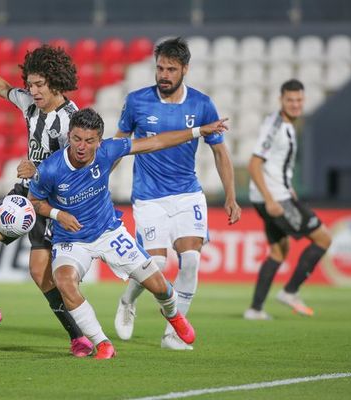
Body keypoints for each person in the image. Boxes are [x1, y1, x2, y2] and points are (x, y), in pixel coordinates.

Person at [28, 108, 229, 359]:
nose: (82, 146)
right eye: (77, 139)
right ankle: (102, 344)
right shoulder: (50, 168)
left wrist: (199, 131)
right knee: (64, 281)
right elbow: (34, 201)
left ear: (99, 141)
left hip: (109, 233)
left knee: (161, 288)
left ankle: (173, 314)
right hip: (71, 240)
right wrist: (59, 214)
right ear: (69, 135)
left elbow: (155, 142)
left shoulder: (109, 150)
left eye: (89, 141)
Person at [0, 45, 94, 357]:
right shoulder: (30, 104)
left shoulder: (71, 122)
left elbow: (78, 169)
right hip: (23, 196)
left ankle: (79, 337)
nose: (33, 90)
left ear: (55, 82)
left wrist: (38, 169)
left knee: (41, 275)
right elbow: (1, 86)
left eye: (40, 84)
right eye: (31, 84)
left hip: (54, 202)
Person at [112, 37, 241, 350]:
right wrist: (100, 179)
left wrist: (231, 196)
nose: (164, 74)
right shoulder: (137, 101)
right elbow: (118, 144)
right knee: (155, 267)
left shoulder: (201, 104)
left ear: (185, 69)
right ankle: (127, 300)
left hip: (187, 195)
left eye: (171, 68)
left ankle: (173, 334)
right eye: (160, 68)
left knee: (192, 260)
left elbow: (220, 153)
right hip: (149, 196)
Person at [243, 79, 332, 321]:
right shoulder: (275, 126)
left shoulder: (288, 125)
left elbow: (276, 165)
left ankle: (255, 309)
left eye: (299, 100)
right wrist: (271, 199)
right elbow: (254, 164)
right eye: (290, 100)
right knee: (323, 238)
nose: (295, 104)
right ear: (281, 100)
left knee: (278, 251)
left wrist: (287, 188)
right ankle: (290, 291)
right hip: (273, 198)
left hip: (276, 194)